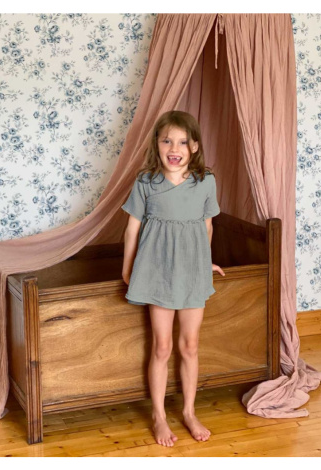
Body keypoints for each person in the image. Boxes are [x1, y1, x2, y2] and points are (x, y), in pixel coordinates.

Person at [121, 110, 225, 447]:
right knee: (162, 346)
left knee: (190, 345)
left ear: (194, 146)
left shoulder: (205, 181)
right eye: (167, 141)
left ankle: (190, 412)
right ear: (157, 144)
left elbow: (207, 226)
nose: (174, 148)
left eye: (182, 142)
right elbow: (132, 229)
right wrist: (128, 268)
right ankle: (159, 416)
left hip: (192, 272)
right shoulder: (146, 182)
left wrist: (205, 263)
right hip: (157, 272)